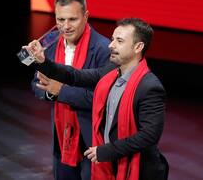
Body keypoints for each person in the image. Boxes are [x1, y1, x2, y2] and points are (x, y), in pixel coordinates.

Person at [25, 18, 169, 180]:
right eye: (113, 39)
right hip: (109, 165)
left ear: (138, 47)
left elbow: (149, 136)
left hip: (140, 171)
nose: (111, 45)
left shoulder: (150, 87)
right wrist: (42, 62)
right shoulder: (111, 71)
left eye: (119, 41)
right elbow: (75, 75)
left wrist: (105, 151)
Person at [30, 0, 111, 180]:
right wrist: (49, 93)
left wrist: (60, 91)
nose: (65, 26)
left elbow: (103, 99)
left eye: (72, 19)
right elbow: (35, 82)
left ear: (86, 16)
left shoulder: (103, 50)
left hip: (92, 141)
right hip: (61, 137)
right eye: (60, 19)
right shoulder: (49, 45)